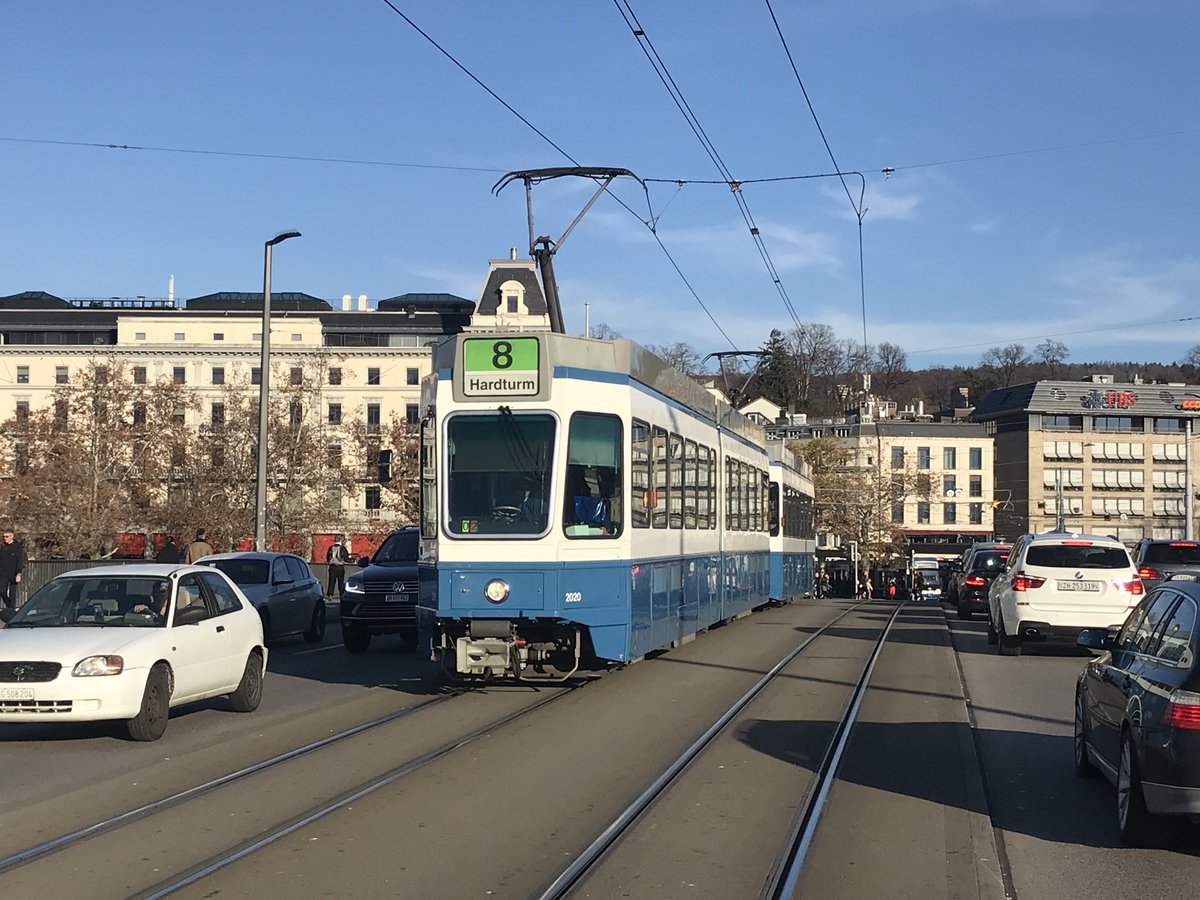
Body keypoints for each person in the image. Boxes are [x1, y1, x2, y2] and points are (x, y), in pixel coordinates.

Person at [0, 528, 24, 612]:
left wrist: (19, 573)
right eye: (4, 537)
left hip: (13, 572)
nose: (5, 538)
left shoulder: (17, 547)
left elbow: (19, 560)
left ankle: (11, 609)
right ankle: (9, 604)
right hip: (3, 571)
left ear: (12, 536)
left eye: (7, 536)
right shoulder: (3, 546)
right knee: (2, 590)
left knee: (12, 592)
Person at [326, 535, 350, 600]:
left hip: (332, 567)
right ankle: (341, 595)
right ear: (341, 540)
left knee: (331, 581)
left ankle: (330, 595)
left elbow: (328, 557)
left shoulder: (331, 547)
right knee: (341, 582)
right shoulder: (343, 548)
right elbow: (346, 558)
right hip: (340, 567)